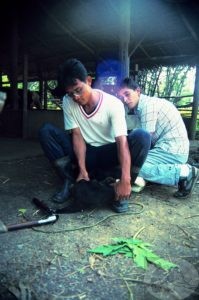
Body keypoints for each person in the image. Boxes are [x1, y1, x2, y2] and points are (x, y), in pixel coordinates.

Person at [39, 58, 151, 213]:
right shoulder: (68, 101)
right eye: (71, 94)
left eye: (78, 90)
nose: (75, 97)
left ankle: (123, 189)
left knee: (142, 136)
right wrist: (83, 169)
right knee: (46, 131)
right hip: (87, 152)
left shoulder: (113, 104)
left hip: (109, 152)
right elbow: (77, 136)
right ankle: (70, 180)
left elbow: (121, 142)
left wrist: (126, 178)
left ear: (88, 81)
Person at [118, 77, 199, 198]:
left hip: (172, 150)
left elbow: (146, 142)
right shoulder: (142, 106)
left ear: (138, 91)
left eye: (127, 94)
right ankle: (173, 170)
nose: (125, 99)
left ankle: (184, 173)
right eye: (122, 97)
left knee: (132, 166)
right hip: (170, 148)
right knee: (133, 164)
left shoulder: (147, 106)